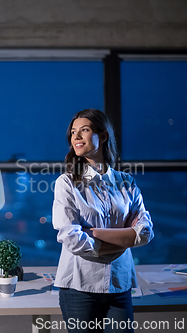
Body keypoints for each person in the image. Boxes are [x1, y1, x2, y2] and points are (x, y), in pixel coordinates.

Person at [52, 109, 154, 333]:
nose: (76, 137)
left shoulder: (126, 182)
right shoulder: (67, 183)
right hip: (80, 287)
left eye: (84, 130)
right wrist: (125, 239)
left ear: (103, 135)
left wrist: (94, 233)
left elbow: (145, 232)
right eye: (73, 132)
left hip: (119, 283)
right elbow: (71, 238)